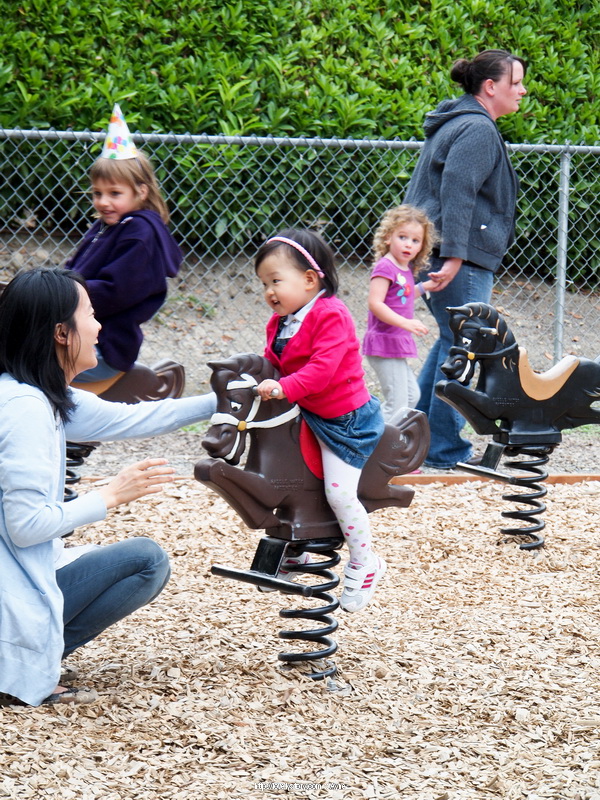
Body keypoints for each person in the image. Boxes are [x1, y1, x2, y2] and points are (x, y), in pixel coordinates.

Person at [0, 267, 216, 708]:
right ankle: (16, 670)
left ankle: (27, 661)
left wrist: (230, 400)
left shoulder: (35, 393)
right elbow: (25, 526)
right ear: (61, 333)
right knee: (145, 560)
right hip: (10, 590)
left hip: (18, 576)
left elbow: (136, 418)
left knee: (142, 561)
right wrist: (111, 495)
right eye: (90, 315)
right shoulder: (25, 409)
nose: (100, 326)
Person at [404, 49, 527, 469]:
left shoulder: (460, 123)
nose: (522, 90)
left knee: (450, 341)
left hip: (444, 251)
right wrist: (454, 256)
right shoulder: (476, 128)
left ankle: (413, 442)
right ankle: (439, 450)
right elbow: (457, 192)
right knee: (462, 347)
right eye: (516, 83)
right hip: (458, 256)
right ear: (490, 87)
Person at [254, 229, 386, 614]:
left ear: (310, 279)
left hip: (344, 421)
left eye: (276, 281)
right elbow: (271, 362)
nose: (269, 292)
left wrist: (282, 388)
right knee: (288, 478)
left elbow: (323, 370)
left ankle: (365, 561)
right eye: (264, 284)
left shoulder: (331, 314)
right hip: (308, 413)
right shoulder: (280, 322)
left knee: (340, 493)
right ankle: (299, 550)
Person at [66, 104, 182, 383]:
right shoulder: (109, 225)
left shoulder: (139, 234)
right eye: (97, 193)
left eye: (114, 193)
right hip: (77, 335)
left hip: (101, 348)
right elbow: (74, 270)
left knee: (20, 361)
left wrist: (62, 295)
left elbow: (114, 292)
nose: (103, 202)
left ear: (141, 192)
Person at [363, 204, 438, 422]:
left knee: (412, 396)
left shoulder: (404, 269)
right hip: (384, 343)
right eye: (402, 237)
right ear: (388, 237)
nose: (408, 244)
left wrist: (425, 288)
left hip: (395, 344)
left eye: (415, 241)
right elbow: (376, 303)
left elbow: (401, 296)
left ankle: (383, 440)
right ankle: (374, 447)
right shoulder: (386, 266)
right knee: (396, 404)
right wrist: (406, 323)